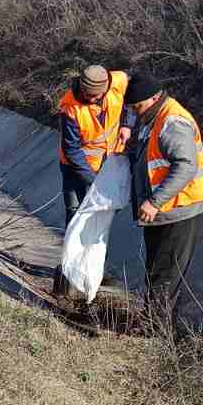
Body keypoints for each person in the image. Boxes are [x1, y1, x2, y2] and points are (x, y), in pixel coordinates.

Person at [124, 70, 203, 336]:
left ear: (154, 98)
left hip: (181, 208)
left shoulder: (172, 122)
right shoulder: (153, 115)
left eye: (138, 107)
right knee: (157, 270)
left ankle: (155, 331)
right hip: (165, 209)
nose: (135, 112)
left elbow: (186, 166)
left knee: (165, 274)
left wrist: (154, 201)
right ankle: (159, 325)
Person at [55, 65, 132, 297]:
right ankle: (70, 272)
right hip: (76, 169)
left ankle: (92, 269)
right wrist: (93, 180)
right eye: (87, 95)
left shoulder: (118, 81)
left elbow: (132, 99)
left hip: (109, 164)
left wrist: (127, 124)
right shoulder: (70, 108)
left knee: (100, 218)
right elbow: (72, 150)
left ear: (105, 88)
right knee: (76, 215)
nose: (90, 99)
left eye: (95, 96)